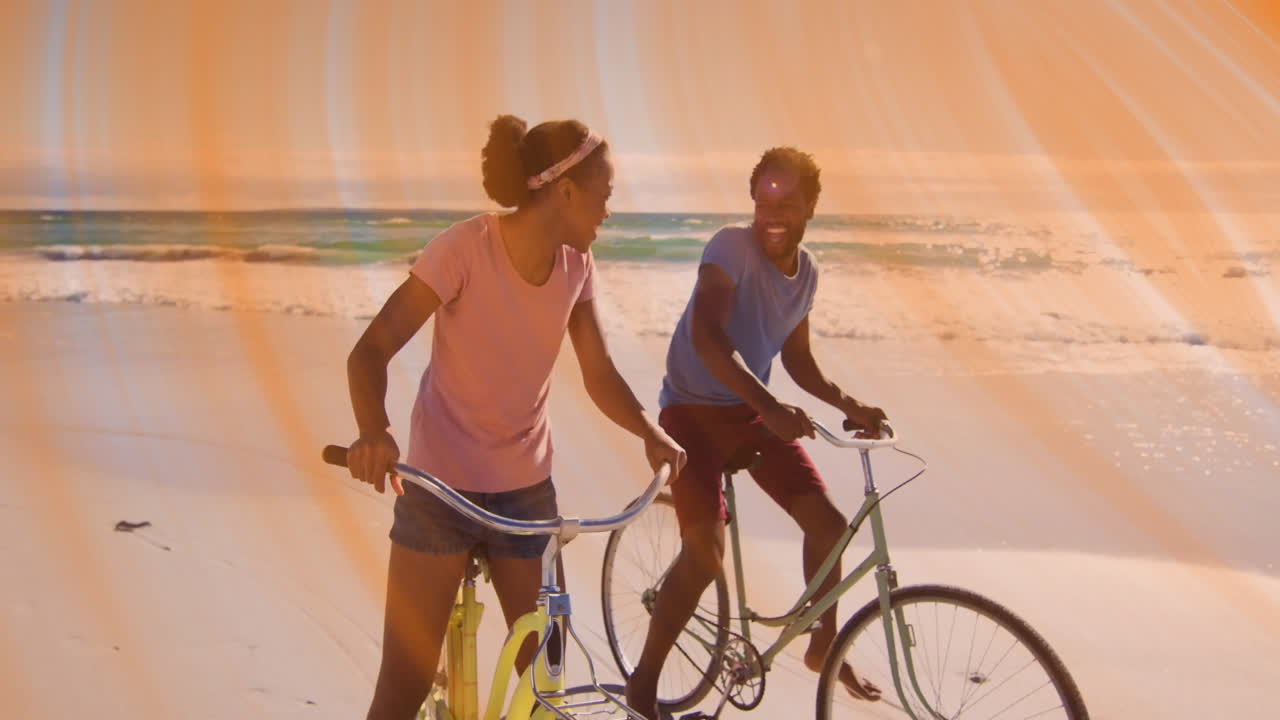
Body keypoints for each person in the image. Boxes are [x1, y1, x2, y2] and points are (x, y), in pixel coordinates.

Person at [342, 115, 687, 720]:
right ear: (565, 190)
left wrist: (649, 433)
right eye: (603, 196)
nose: (608, 211)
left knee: (543, 682)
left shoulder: (577, 269)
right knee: (405, 683)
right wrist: (375, 430)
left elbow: (598, 373)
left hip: (525, 497)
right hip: (438, 491)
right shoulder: (464, 250)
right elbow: (369, 351)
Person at [624, 147, 887, 719]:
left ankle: (823, 647)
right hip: (691, 414)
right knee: (705, 558)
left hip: (747, 414)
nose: (772, 213)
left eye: (788, 203)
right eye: (763, 199)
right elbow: (706, 338)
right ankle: (642, 689)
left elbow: (797, 358)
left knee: (830, 527)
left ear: (810, 208)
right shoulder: (729, 248)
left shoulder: (807, 273)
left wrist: (849, 403)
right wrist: (767, 405)